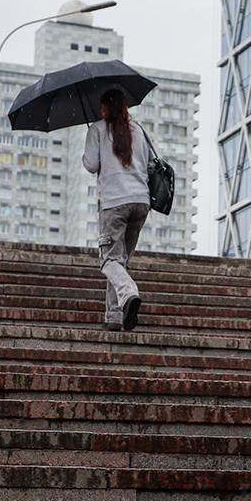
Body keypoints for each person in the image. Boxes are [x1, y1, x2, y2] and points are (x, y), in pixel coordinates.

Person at [83, 88, 152, 331]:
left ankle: (129, 292)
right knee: (120, 261)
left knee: (109, 260)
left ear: (105, 108)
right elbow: (147, 164)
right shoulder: (138, 130)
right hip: (141, 202)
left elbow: (91, 165)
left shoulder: (98, 129)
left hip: (114, 203)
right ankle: (114, 316)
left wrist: (91, 146)